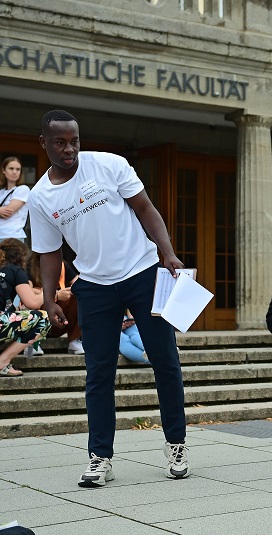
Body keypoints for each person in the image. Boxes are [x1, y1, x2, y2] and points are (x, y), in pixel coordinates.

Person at [29, 109, 190, 487]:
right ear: (44, 143)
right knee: (98, 373)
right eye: (60, 142)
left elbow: (146, 208)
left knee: (165, 360)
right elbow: (50, 253)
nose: (69, 149)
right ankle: (100, 457)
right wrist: (51, 298)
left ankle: (176, 443)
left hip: (143, 273)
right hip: (95, 286)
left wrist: (166, 251)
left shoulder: (109, 165)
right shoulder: (39, 198)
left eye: (74, 141)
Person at [0, 239, 49, 376]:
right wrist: (51, 291)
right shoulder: (15, 270)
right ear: (21, 256)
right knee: (43, 318)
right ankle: (2, 362)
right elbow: (32, 303)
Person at [26, 252, 84, 355]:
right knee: (31, 302)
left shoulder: (62, 265)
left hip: (60, 320)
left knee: (78, 294)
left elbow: (78, 284)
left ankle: (74, 340)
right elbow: (26, 292)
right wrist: (54, 294)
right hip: (39, 315)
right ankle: (32, 343)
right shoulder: (30, 266)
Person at [0, 157, 31, 243]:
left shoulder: (23, 189)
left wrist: (2, 210)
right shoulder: (1, 192)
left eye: (18, 169)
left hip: (12, 237)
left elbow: (7, 212)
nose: (14, 172)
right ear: (3, 170)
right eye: (11, 168)